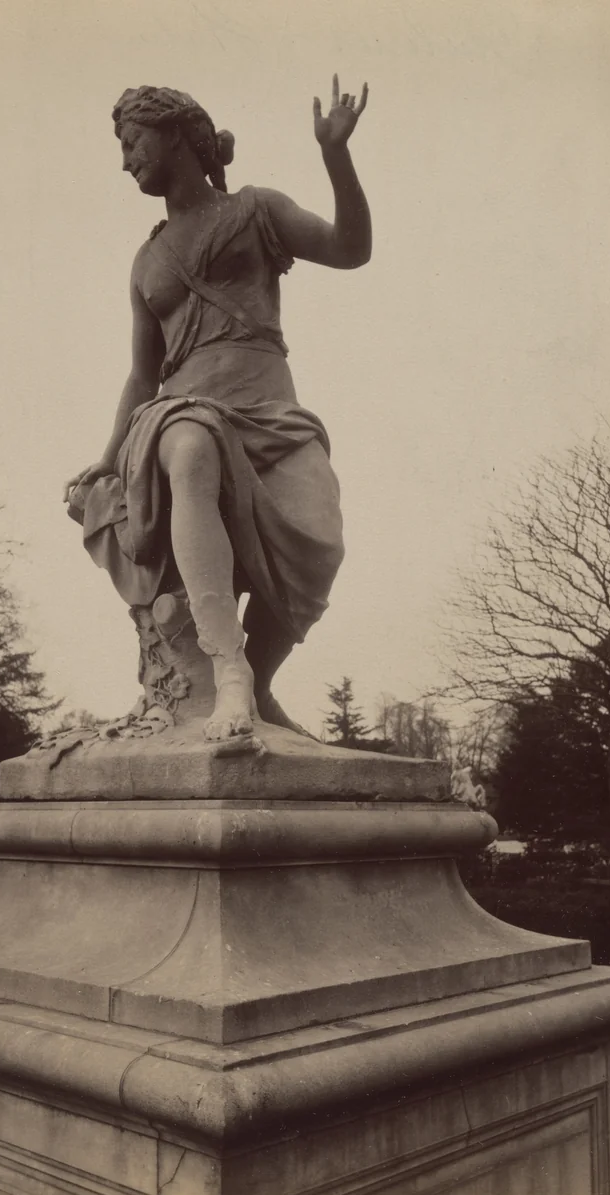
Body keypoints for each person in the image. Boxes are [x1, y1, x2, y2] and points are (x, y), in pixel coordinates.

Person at [64, 75, 371, 741]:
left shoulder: (256, 209)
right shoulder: (147, 261)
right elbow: (144, 374)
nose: (125, 158)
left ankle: (257, 684)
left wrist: (336, 156)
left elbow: (351, 250)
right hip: (177, 414)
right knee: (192, 441)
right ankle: (226, 671)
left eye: (132, 140)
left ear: (176, 134)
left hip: (268, 413)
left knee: (322, 546)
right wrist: (107, 459)